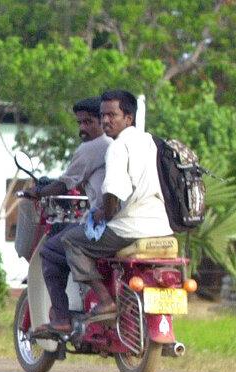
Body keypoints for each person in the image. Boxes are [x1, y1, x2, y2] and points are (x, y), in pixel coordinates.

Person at [54, 89, 173, 324]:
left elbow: (112, 192)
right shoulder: (151, 142)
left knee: (71, 240)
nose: (106, 120)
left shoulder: (117, 147)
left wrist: (102, 214)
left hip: (129, 229)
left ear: (128, 118)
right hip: (162, 227)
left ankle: (105, 300)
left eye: (112, 115)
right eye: (103, 115)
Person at [27, 97, 111, 335]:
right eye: (80, 122)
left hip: (105, 223)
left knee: (51, 251)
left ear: (103, 121)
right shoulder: (119, 145)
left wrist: (39, 192)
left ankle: (61, 317)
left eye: (89, 122)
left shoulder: (93, 147)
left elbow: (65, 183)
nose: (83, 128)